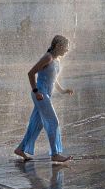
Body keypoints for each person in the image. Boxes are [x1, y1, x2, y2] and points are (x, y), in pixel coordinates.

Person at [14, 35, 74, 163]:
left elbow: (53, 79)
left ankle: (20, 149)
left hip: (45, 94)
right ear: (58, 46)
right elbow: (31, 73)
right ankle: (55, 154)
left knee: (36, 124)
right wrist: (36, 92)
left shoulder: (56, 60)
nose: (67, 50)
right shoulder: (47, 57)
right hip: (40, 94)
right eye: (66, 47)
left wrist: (63, 90)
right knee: (53, 122)